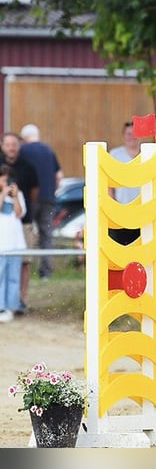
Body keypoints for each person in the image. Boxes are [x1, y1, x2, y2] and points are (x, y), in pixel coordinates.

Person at [19, 124, 62, 280]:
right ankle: (45, 271)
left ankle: (25, 269)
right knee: (46, 234)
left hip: (30, 199)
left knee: (26, 232)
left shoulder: (22, 151)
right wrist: (52, 191)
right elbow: (58, 175)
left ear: (24, 137)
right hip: (48, 198)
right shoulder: (48, 150)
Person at [0, 132, 39, 308]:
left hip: (23, 222)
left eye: (14, 144)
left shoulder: (27, 166)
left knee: (23, 262)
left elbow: (34, 191)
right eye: (7, 144)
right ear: (2, 146)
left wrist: (18, 199)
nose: (11, 148)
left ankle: (19, 300)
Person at [107, 121, 143, 245]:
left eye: (134, 134)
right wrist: (113, 205)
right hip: (121, 208)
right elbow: (108, 183)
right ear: (123, 136)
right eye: (128, 134)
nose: (131, 137)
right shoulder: (115, 154)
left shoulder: (146, 154)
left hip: (142, 210)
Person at [0, 164, 27, 322]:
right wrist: (3, 194)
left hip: (15, 245)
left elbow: (19, 213)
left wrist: (15, 196)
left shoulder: (19, 195)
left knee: (13, 277)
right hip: (1, 246)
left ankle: (11, 307)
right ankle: (1, 306)